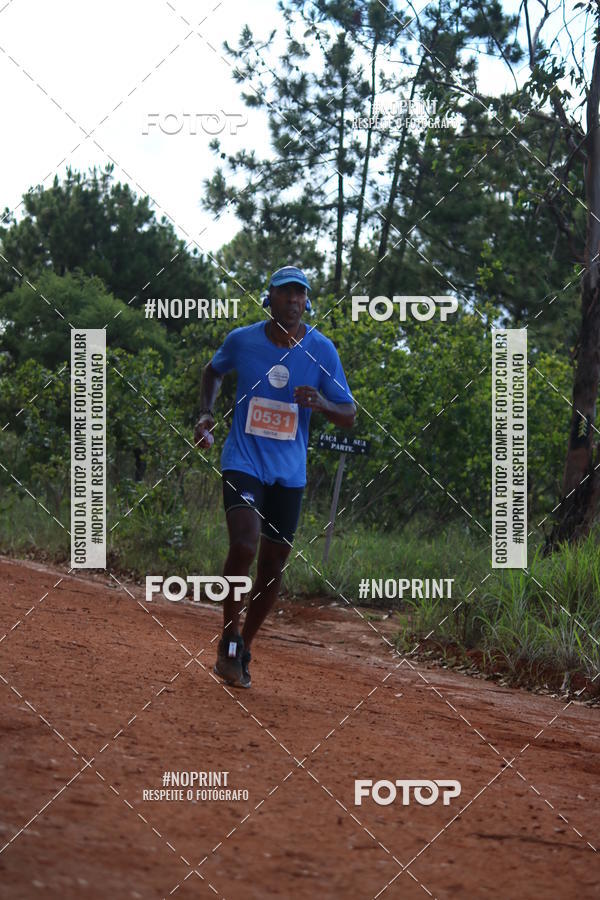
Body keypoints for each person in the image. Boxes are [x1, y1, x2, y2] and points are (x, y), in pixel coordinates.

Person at [194, 266, 356, 688]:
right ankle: (228, 637)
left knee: (272, 564)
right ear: (270, 299)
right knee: (244, 545)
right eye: (284, 294)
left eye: (299, 295)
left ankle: (243, 647)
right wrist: (206, 414)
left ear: (307, 302)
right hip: (243, 461)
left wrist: (322, 402)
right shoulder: (243, 341)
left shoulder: (322, 351)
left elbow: (349, 414)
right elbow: (213, 371)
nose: (292, 301)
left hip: (289, 473)